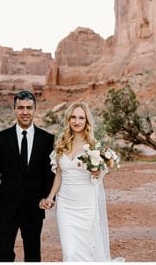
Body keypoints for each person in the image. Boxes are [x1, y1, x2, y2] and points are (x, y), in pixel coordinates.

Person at [40, 102, 119, 261]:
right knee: (69, 252)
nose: (77, 121)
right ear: (68, 120)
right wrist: (50, 197)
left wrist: (97, 172)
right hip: (65, 206)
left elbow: (97, 177)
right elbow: (59, 175)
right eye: (73, 117)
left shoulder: (93, 146)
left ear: (86, 121)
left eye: (81, 118)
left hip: (86, 205)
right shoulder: (61, 144)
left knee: (85, 250)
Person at [0, 90, 56, 262]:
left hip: (34, 209)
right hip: (6, 208)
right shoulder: (1, 138)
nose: (25, 112)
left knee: (33, 255)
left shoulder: (46, 139)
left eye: (29, 108)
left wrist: (48, 197)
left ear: (35, 109)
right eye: (21, 108)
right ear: (15, 109)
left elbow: (49, 173)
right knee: (4, 254)